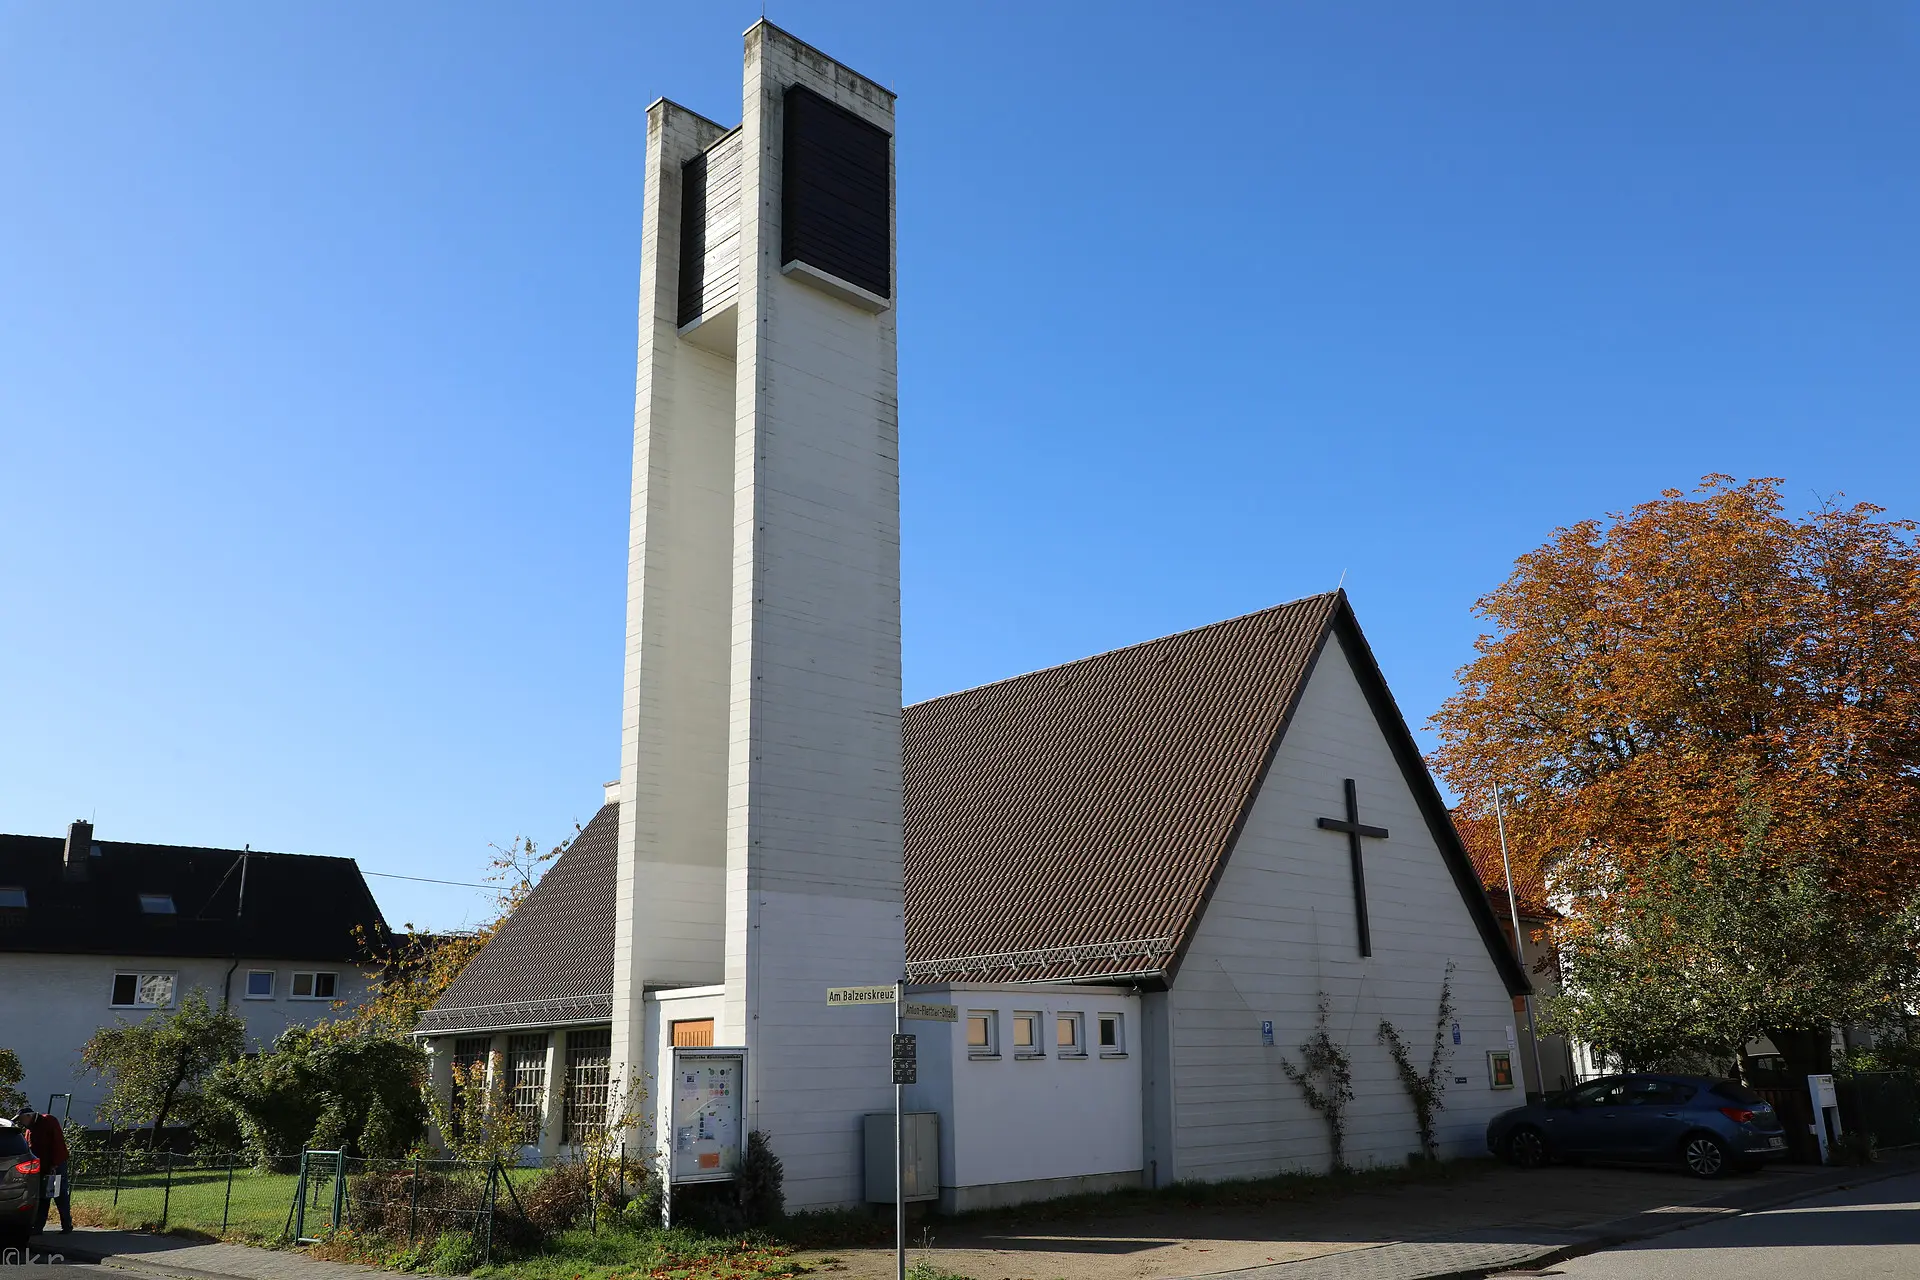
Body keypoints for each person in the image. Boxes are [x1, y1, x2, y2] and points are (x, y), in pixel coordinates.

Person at [14, 1109, 69, 1234]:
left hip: (55, 1165)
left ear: (28, 1116)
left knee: (60, 1195)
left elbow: (58, 1143)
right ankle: (38, 1227)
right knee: (42, 1197)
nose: (21, 1123)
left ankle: (66, 1226)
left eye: (22, 1119)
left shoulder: (48, 1121)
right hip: (41, 1167)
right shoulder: (30, 1129)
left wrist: (54, 1164)